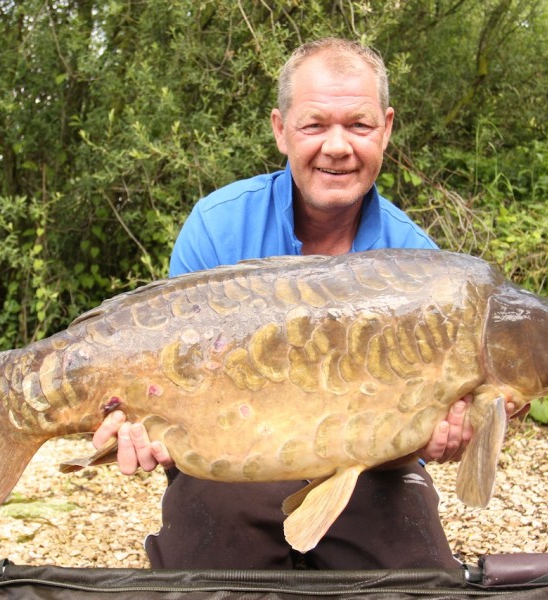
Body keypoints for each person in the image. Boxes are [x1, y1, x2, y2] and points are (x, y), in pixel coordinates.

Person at [93, 37, 521, 569]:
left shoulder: (424, 268)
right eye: (315, 125)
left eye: (359, 126)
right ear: (281, 130)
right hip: (231, 466)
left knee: (422, 583)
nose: (337, 146)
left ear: (386, 129)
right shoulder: (218, 226)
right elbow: (165, 370)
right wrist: (132, 420)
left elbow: (419, 431)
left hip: (372, 475)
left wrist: (439, 440)